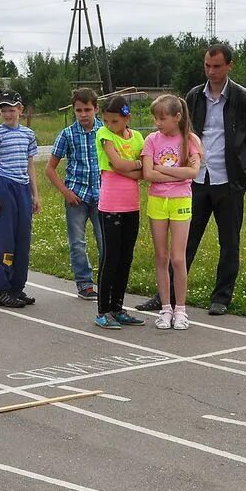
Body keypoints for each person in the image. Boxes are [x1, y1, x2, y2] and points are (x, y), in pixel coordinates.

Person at [137, 44, 246, 315]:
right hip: (194, 181)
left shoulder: (245, 99)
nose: (211, 71)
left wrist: (240, 159)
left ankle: (221, 297)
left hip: (229, 181)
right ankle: (167, 295)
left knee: (229, 240)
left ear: (229, 65)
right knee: (186, 241)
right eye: (207, 66)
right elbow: (183, 132)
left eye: (217, 66)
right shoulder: (194, 97)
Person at [141, 95, 202, 330]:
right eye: (155, 118)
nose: (158, 123)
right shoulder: (151, 140)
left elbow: (193, 172)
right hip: (157, 201)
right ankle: (165, 307)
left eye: (162, 118)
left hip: (180, 201)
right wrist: (178, 171)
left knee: (178, 258)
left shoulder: (190, 140)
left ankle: (181, 309)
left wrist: (162, 169)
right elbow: (148, 175)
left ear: (177, 117)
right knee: (161, 255)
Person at [0, 91, 42, 308]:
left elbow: (31, 165)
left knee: (22, 240)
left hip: (23, 188)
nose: (8, 114)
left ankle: (17, 287)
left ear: (20, 109)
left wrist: (35, 194)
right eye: (4, 110)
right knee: (4, 240)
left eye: (12, 109)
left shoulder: (28, 134)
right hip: (4, 186)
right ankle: (1, 289)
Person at [45, 88, 104, 299]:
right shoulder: (67, 134)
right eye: (79, 110)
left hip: (102, 196)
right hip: (76, 196)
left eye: (88, 109)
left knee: (104, 240)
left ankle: (106, 280)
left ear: (96, 109)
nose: (83, 114)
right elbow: (50, 169)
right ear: (74, 111)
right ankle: (84, 283)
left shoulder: (105, 132)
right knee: (77, 242)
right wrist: (65, 191)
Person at [93, 96, 146, 329]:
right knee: (110, 258)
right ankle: (103, 310)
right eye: (105, 120)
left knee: (126, 258)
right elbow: (116, 164)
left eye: (115, 121)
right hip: (111, 205)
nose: (109, 124)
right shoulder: (104, 135)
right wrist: (134, 165)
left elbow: (143, 173)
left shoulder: (137, 138)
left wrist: (132, 167)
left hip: (131, 205)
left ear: (127, 119)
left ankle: (118, 306)